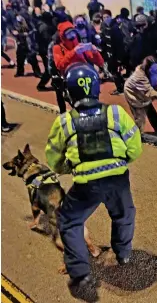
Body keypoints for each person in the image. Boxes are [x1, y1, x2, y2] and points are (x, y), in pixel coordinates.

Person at [45, 63, 142, 292]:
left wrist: (71, 169)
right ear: (96, 88)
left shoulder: (65, 121)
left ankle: (80, 274)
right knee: (124, 215)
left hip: (86, 184)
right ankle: (123, 255)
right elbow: (135, 148)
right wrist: (117, 163)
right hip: (117, 179)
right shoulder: (116, 112)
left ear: (69, 93)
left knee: (69, 221)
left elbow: (54, 160)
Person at [100, 9, 125, 95]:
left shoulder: (115, 28)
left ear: (111, 17)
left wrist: (119, 58)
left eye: (107, 17)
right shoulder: (105, 27)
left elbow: (119, 44)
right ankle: (121, 87)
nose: (106, 19)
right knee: (114, 72)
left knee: (115, 72)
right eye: (104, 17)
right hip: (109, 54)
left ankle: (120, 88)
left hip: (115, 55)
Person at [34, 10, 56, 91]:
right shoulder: (44, 27)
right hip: (45, 50)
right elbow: (47, 39)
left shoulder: (41, 25)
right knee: (48, 69)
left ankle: (54, 83)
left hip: (43, 49)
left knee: (52, 68)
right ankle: (41, 85)